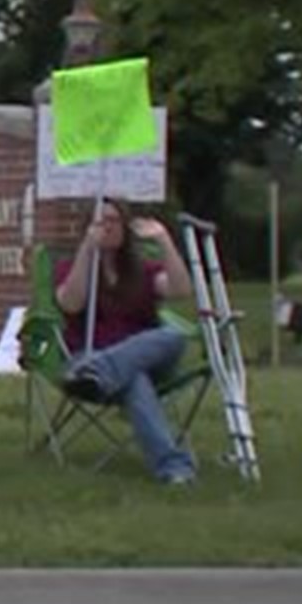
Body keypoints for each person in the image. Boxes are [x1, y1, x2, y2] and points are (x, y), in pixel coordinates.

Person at [53, 198, 197, 485]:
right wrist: (87, 250)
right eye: (101, 220)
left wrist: (164, 240)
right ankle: (174, 468)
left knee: (174, 335)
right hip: (87, 353)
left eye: (115, 220)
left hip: (115, 364)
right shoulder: (70, 268)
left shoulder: (142, 270)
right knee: (134, 379)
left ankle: (101, 371)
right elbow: (71, 303)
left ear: (125, 227)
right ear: (87, 227)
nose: (109, 227)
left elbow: (182, 290)